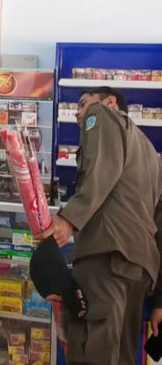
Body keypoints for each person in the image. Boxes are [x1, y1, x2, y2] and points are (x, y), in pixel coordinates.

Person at [37, 86, 162, 365]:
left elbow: (101, 171)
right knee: (124, 355)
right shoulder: (152, 156)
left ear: (110, 102)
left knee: (92, 351)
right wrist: (160, 300)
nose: (78, 113)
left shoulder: (101, 115)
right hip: (139, 270)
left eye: (83, 105)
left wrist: (69, 219)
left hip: (106, 258)